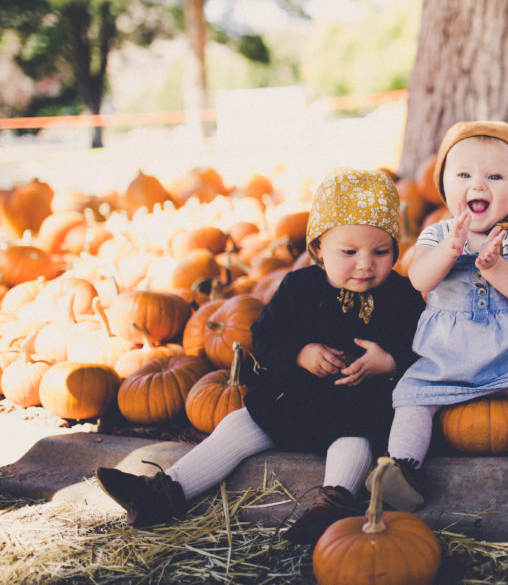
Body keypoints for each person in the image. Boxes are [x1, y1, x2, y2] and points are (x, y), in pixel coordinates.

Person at [95, 168, 425, 543]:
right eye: (349, 252)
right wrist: (299, 353)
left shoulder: (402, 296)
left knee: (354, 445)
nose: (365, 263)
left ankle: (332, 507)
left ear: (396, 251)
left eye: (380, 252)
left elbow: (422, 350)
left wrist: (389, 361)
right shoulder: (299, 287)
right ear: (318, 249)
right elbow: (265, 336)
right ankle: (163, 493)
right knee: (237, 425)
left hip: (358, 409)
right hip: (293, 402)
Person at [370, 120, 508, 512]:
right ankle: (401, 467)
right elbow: (418, 278)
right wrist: (449, 252)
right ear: (445, 184)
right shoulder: (436, 235)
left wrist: (497, 267)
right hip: (448, 356)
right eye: (464, 174)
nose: (479, 185)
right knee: (412, 398)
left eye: (495, 176)